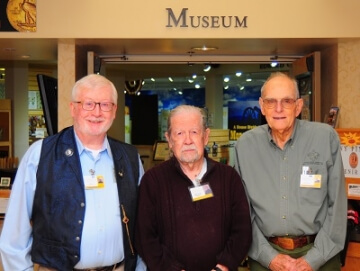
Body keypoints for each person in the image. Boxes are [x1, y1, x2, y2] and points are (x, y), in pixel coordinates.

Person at [0, 74, 146, 271]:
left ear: (114, 111)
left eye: (105, 104)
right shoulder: (41, 154)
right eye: (88, 104)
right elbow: (15, 231)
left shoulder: (130, 158)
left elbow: (142, 224)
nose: (97, 112)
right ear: (73, 108)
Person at [234, 72, 347, 271]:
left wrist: (313, 260)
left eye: (286, 101)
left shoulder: (325, 138)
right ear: (262, 106)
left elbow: (337, 206)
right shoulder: (245, 146)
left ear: (298, 106)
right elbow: (242, 213)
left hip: (321, 254)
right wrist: (269, 257)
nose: (278, 109)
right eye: (271, 102)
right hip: (265, 256)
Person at [135, 104, 252, 271]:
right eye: (180, 133)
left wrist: (223, 266)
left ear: (206, 136)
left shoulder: (229, 178)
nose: (188, 140)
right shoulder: (153, 181)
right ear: (169, 139)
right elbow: (145, 237)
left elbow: (242, 231)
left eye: (194, 132)